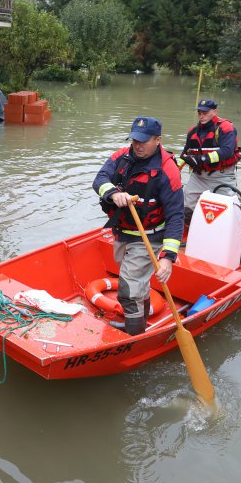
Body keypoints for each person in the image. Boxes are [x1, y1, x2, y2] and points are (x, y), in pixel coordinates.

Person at [93, 116, 184, 336]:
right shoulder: (122, 155)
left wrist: (167, 257)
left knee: (128, 290)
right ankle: (137, 321)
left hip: (148, 236)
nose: (137, 145)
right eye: (135, 139)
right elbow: (100, 179)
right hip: (122, 232)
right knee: (137, 284)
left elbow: (176, 216)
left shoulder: (167, 171)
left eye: (143, 141)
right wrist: (113, 193)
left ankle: (134, 337)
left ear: (158, 140)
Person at [179, 98, 241, 269]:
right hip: (199, 176)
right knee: (186, 206)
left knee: (234, 212)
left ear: (215, 111)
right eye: (199, 112)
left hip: (221, 176)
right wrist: (172, 170)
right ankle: (194, 238)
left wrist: (202, 158)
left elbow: (227, 151)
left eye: (205, 112)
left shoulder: (226, 128)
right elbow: (184, 155)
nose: (201, 115)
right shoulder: (193, 131)